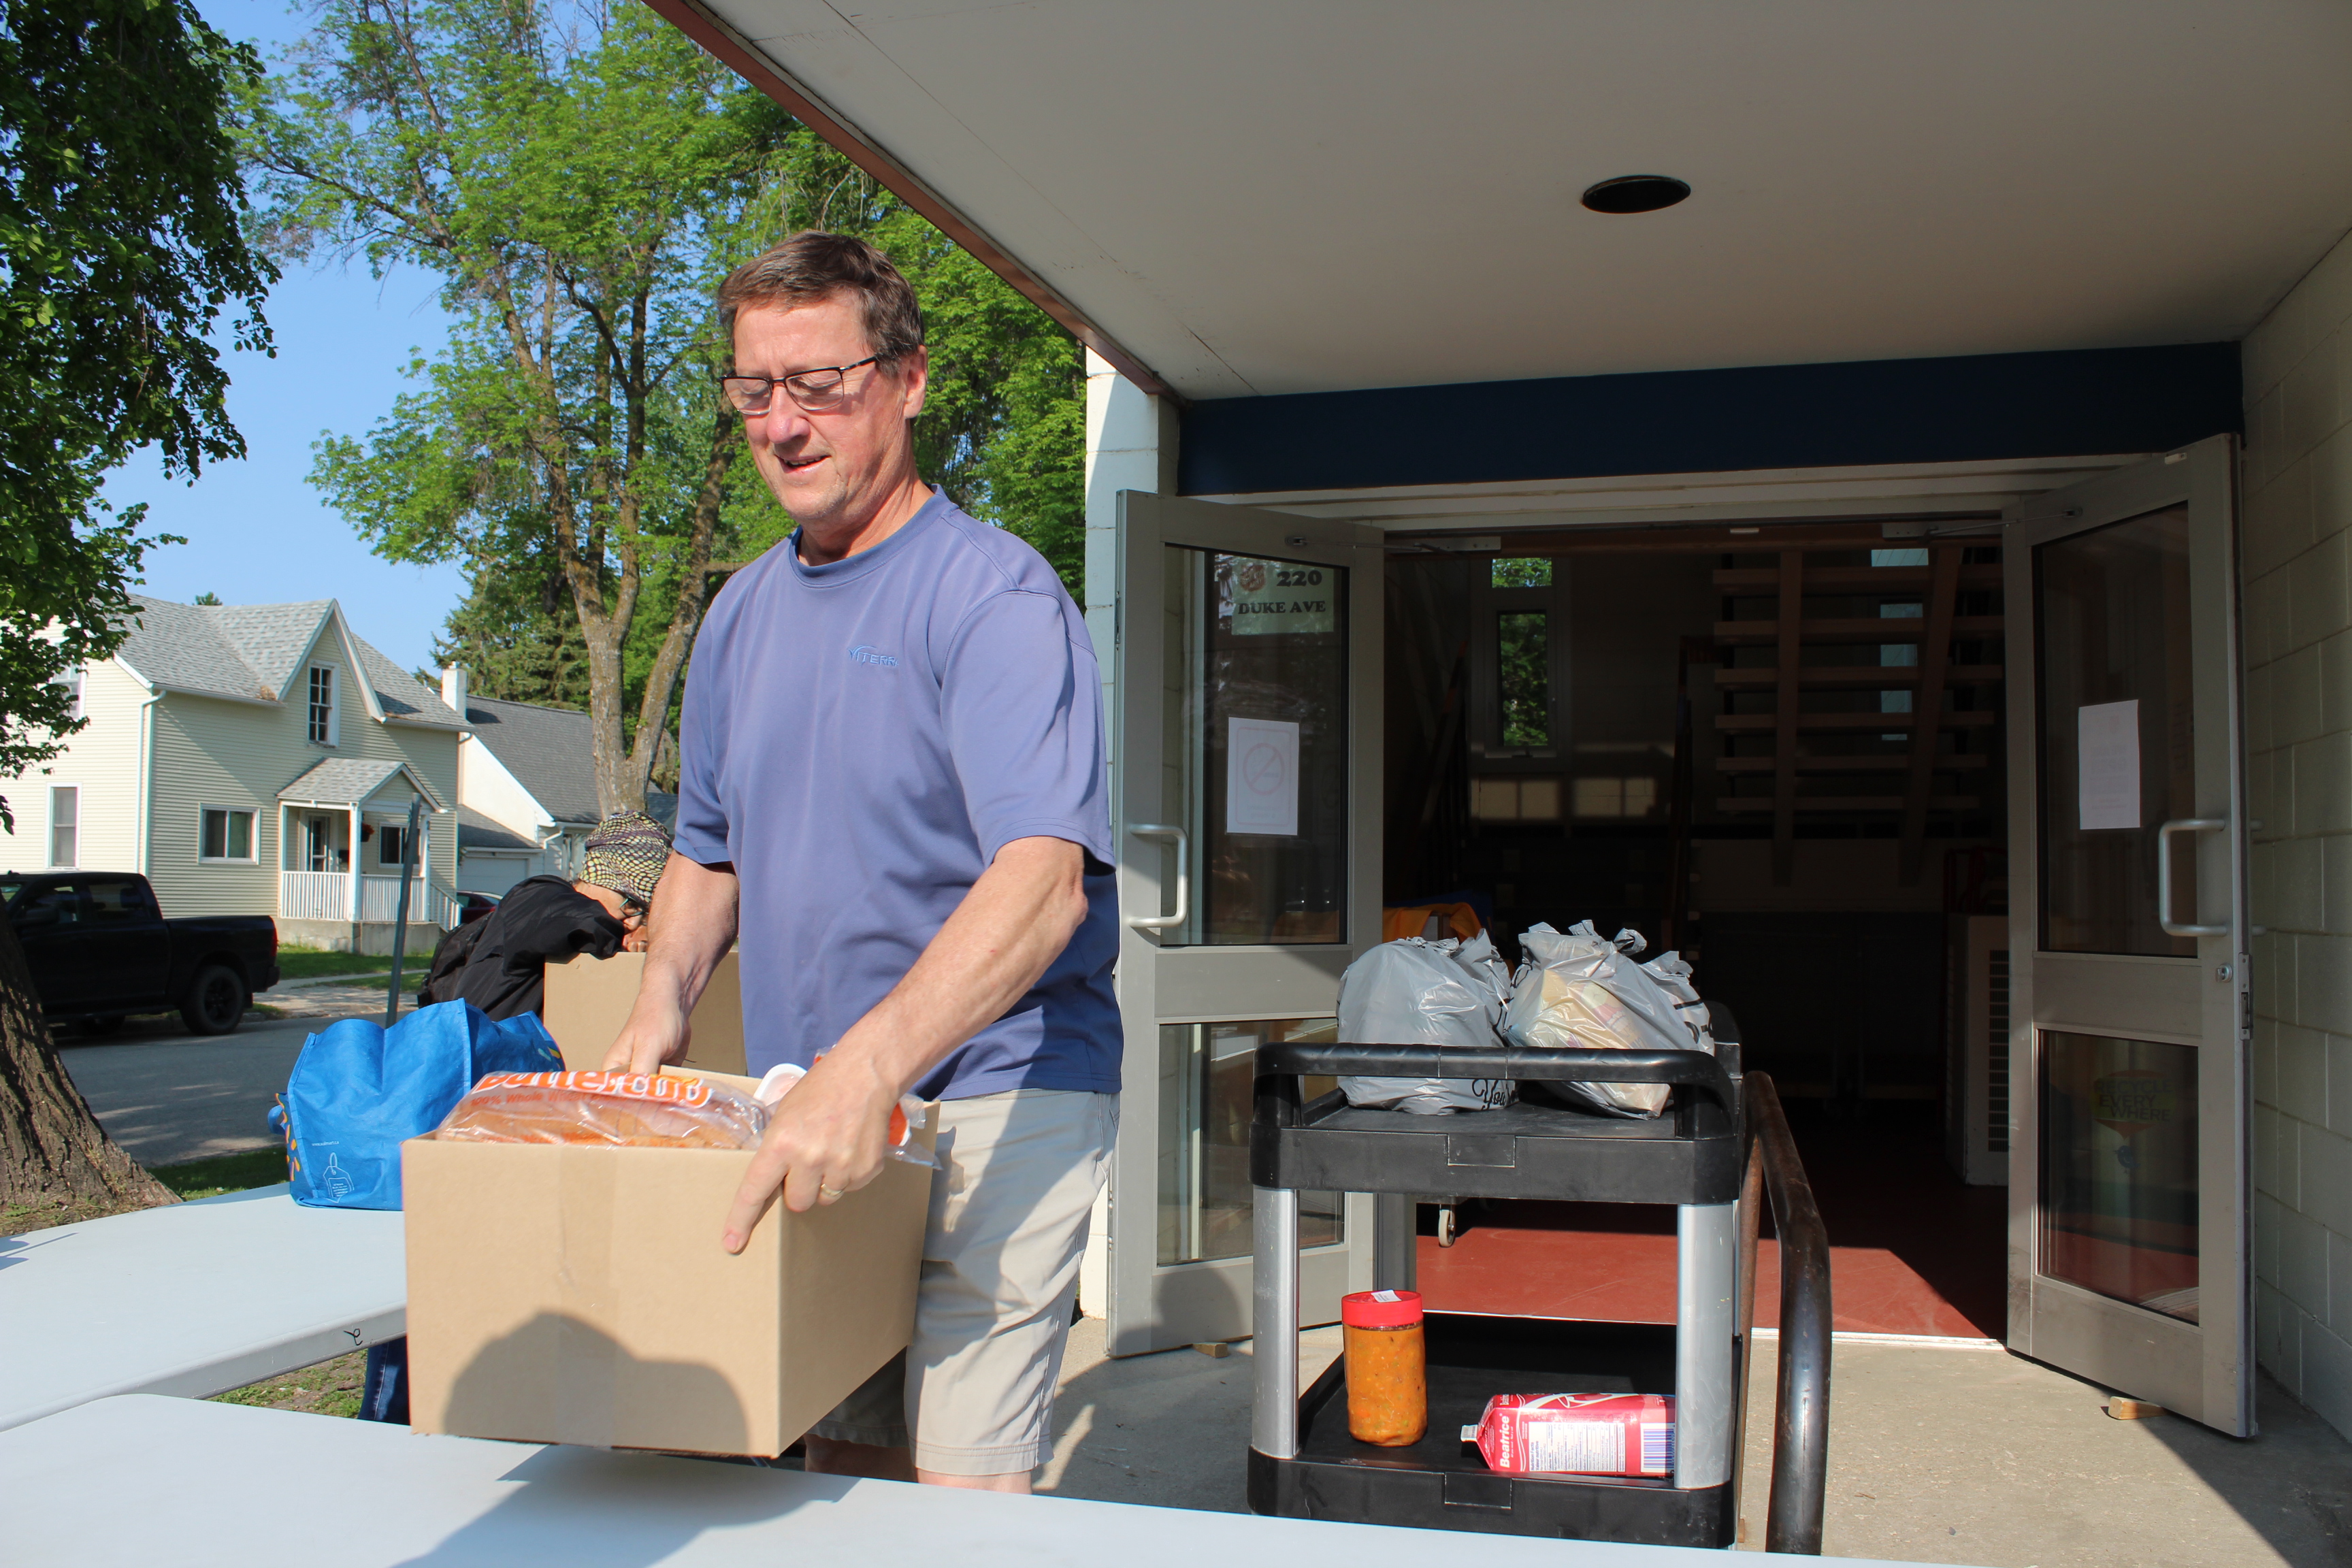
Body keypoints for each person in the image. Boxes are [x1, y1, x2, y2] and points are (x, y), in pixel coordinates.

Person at [604, 231, 1118, 1494]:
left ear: (907, 380)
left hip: (1004, 1090)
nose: (783, 424)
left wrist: (867, 1065)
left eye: (819, 384)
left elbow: (1045, 879)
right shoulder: (737, 617)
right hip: (816, 1094)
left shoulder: (993, 596)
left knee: (958, 1483)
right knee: (839, 1459)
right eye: (754, 390)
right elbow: (707, 851)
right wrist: (659, 1000)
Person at [359, 807, 674, 1424]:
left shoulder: (553, 916)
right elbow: (570, 922)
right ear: (626, 895)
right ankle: (387, 1423)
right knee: (427, 1290)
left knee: (469, 1281)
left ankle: (458, 1413)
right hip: (459, 1121)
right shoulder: (541, 899)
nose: (631, 929)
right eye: (637, 909)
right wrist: (634, 935)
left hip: (492, 1128)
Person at [417, 810, 672, 1019]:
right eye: (630, 904)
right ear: (601, 876)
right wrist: (641, 934)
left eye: (644, 912)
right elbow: (581, 923)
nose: (633, 920)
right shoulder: (540, 896)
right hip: (484, 1067)